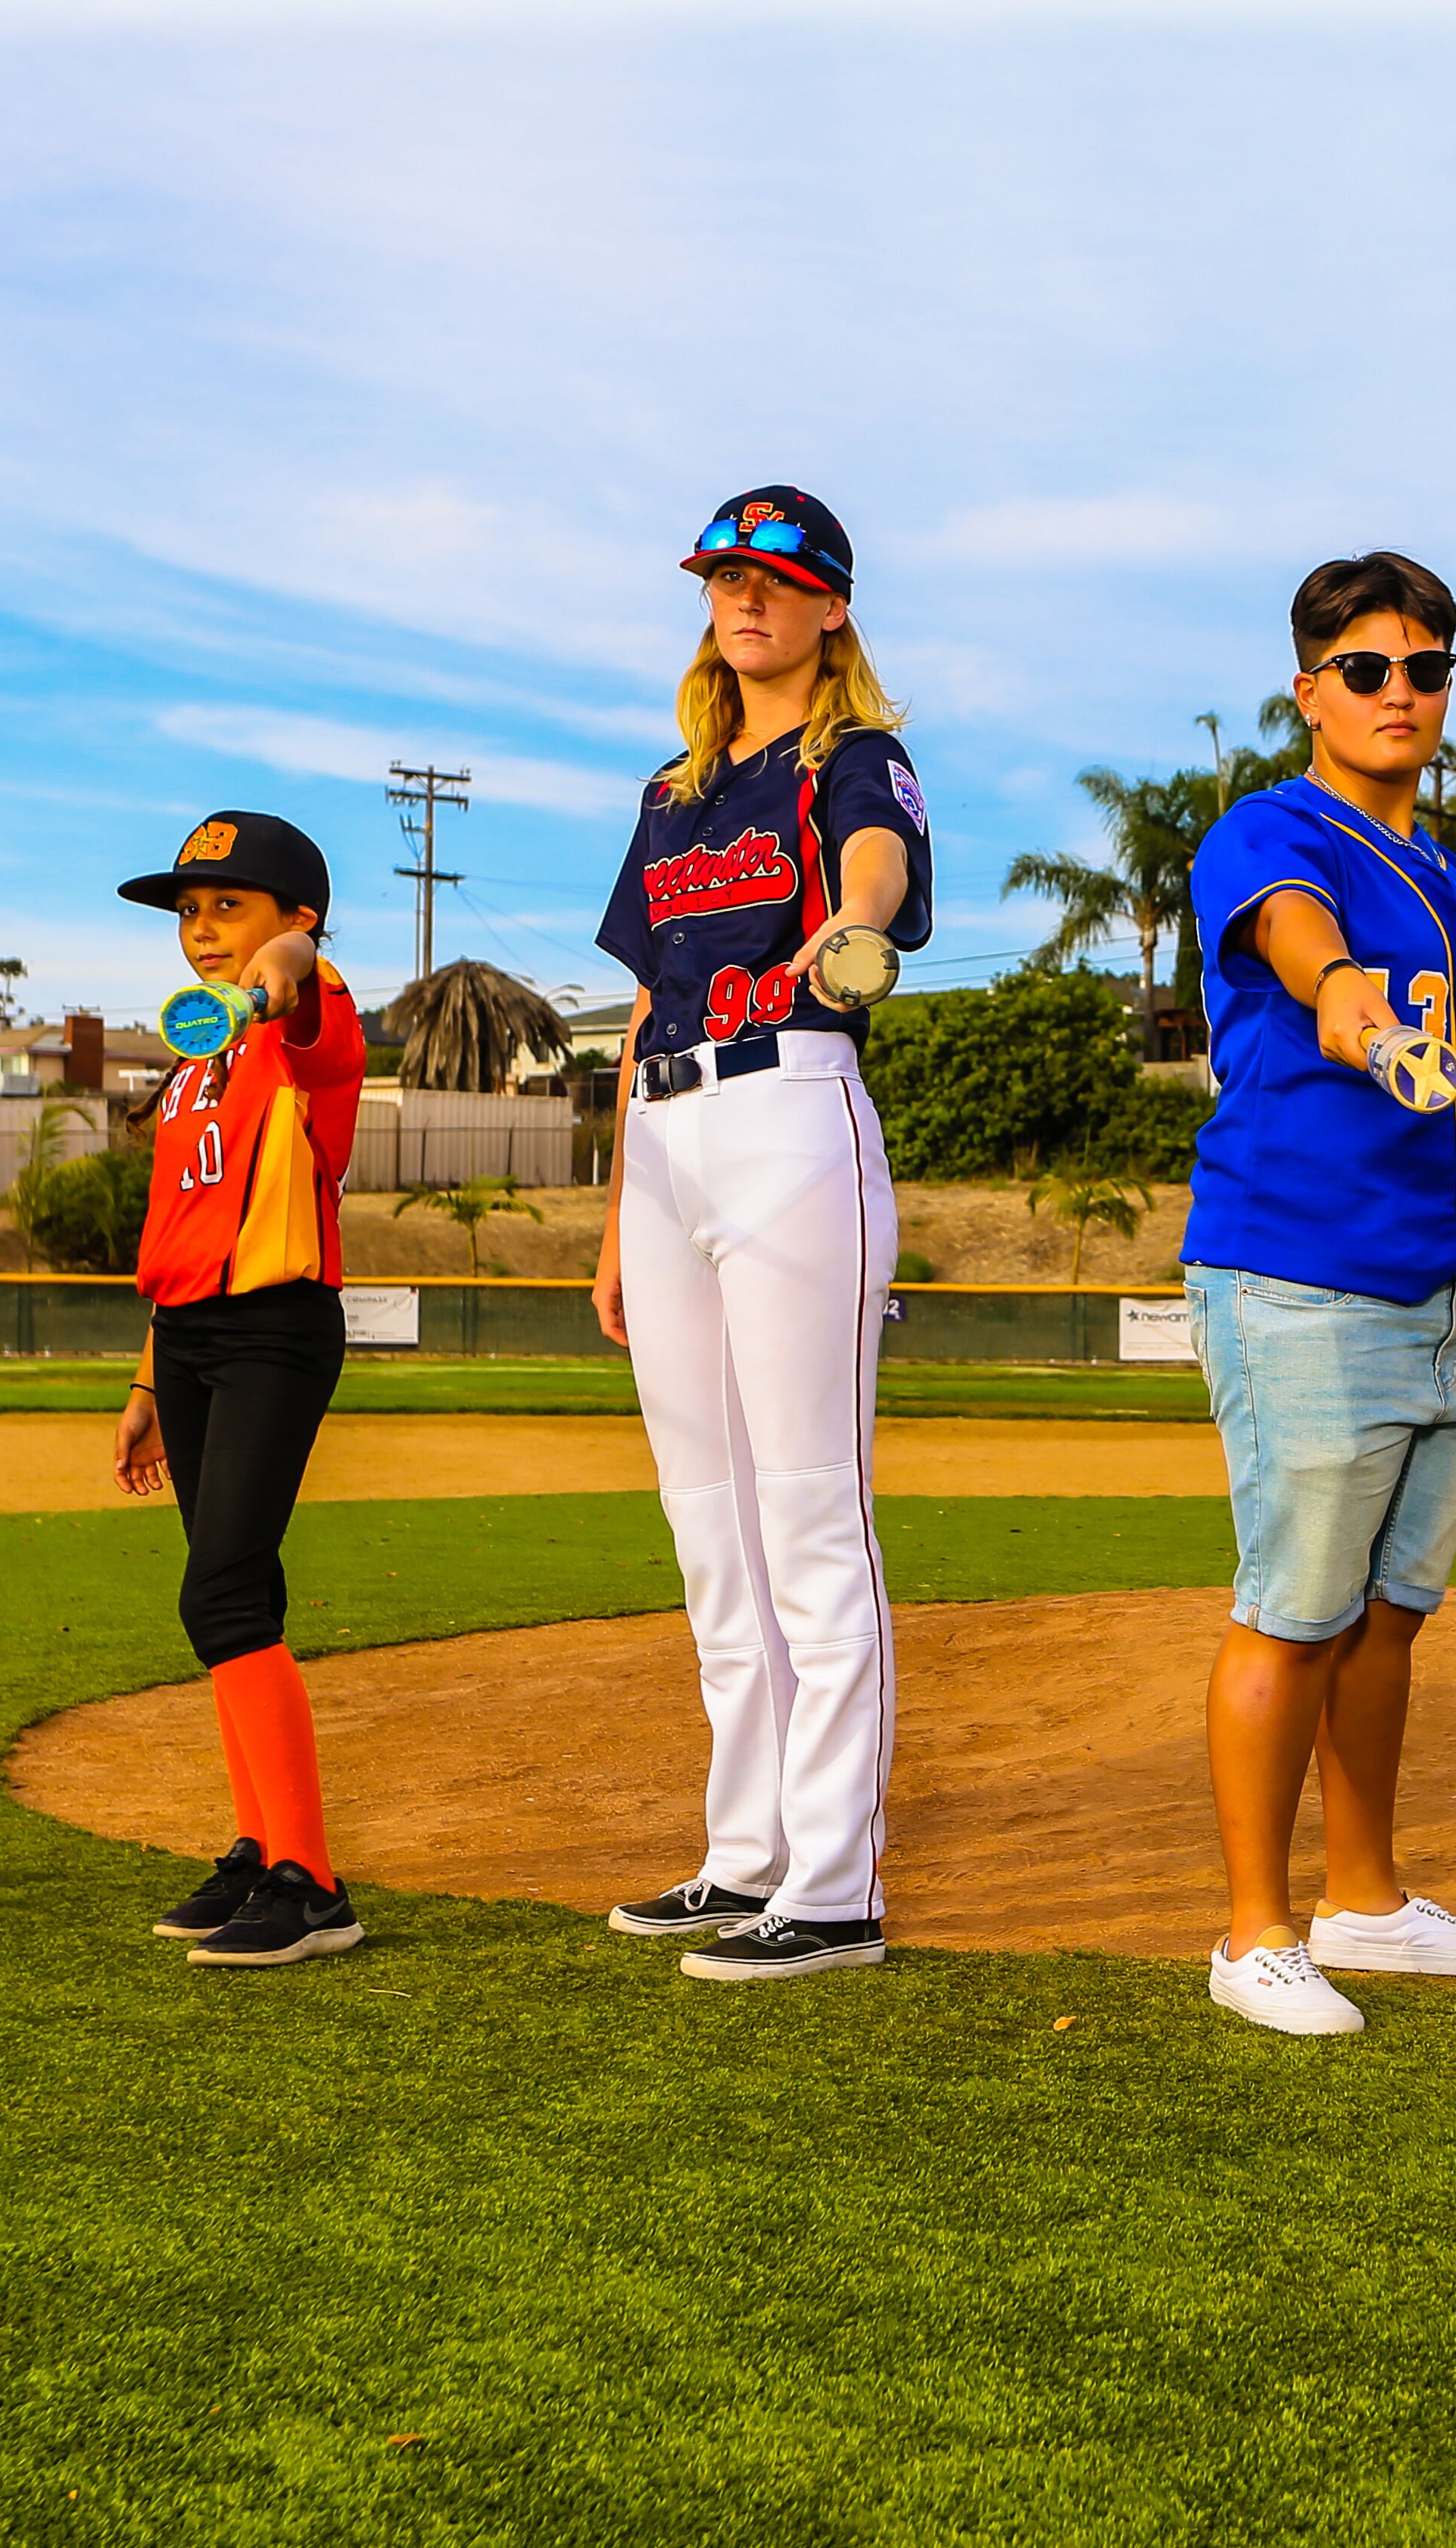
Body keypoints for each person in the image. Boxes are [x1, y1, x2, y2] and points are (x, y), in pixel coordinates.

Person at [1183, 549, 1456, 2039]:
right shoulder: (1274, 830)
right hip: (1304, 1273)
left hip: (1443, 1285)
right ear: (1309, 690)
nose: (1400, 691)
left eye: (1425, 666)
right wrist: (1342, 996)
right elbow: (1293, 936)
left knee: (1388, 1617)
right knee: (1297, 1612)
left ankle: (1368, 1901)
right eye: (1367, 668)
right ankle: (1253, 1932)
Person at [589, 486, 931, 1984]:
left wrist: (849, 932)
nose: (747, 597)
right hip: (666, 1132)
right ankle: (744, 1860)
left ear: (830, 606)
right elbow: (646, 992)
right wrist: (615, 1212)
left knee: (804, 1504)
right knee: (707, 1522)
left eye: (779, 578)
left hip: (793, 1107)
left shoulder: (852, 757)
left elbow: (876, 875)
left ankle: (837, 1883)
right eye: (728, 575)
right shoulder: (672, 795)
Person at [111, 812, 373, 1968]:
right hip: (189, 1338)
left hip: (276, 1325)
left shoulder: (311, 1017)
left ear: (297, 913)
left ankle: (312, 1883)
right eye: (189, 910)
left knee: (216, 1594)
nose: (203, 927)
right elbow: (174, 1226)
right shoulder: (193, 1060)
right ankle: (265, 1841)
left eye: (228, 903)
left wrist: (290, 968)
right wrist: (145, 1379)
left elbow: (299, 990)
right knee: (239, 1598)